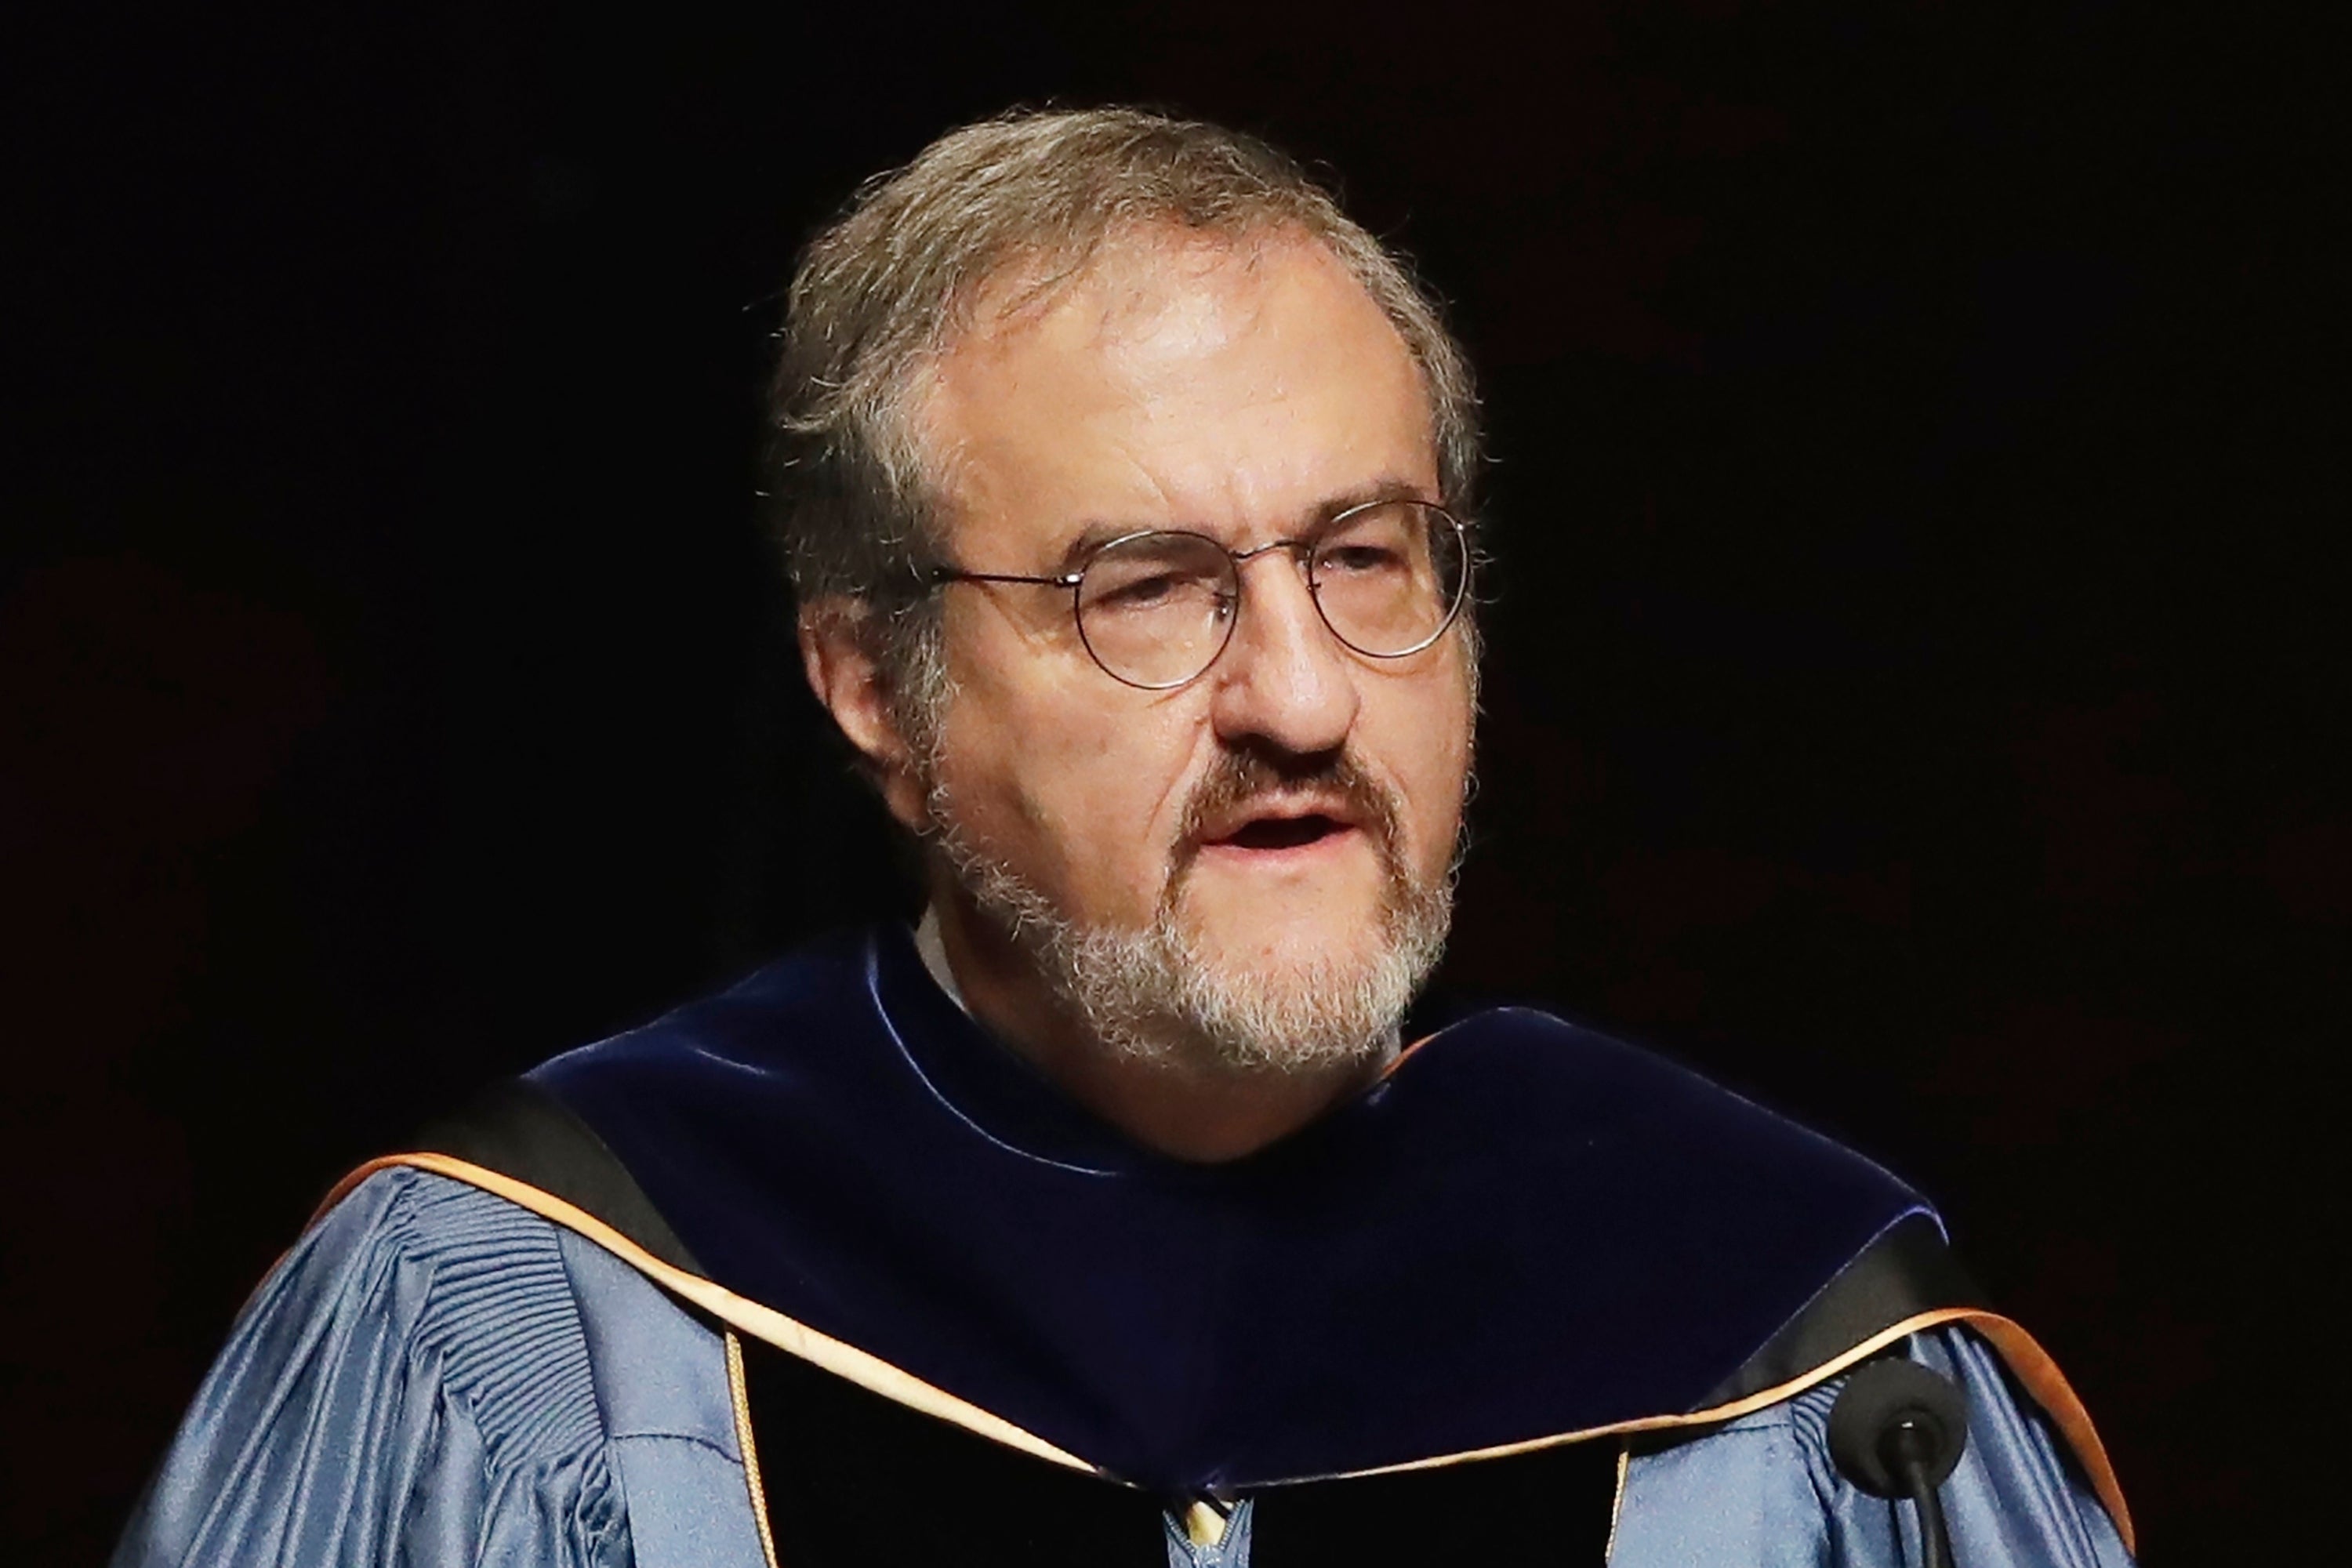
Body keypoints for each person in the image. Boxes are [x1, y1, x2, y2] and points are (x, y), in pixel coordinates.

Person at [116, 107, 2136, 1568]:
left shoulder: (1810, 1359)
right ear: (875, 688)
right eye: (1148, 587)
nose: (1303, 697)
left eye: (1364, 557)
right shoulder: (524, 1321)